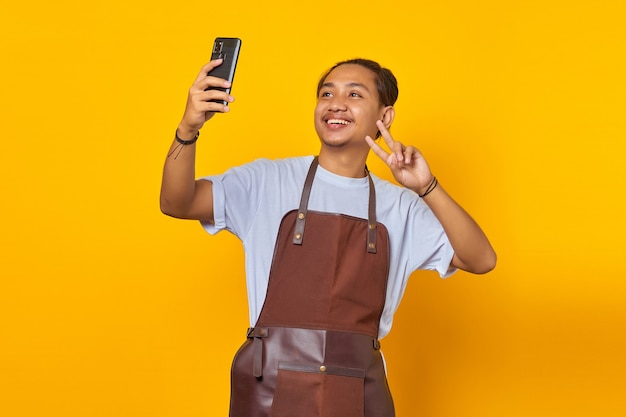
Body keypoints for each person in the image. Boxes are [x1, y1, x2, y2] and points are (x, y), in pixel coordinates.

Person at [160, 57, 496, 417]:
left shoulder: (401, 207)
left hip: (359, 395)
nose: (336, 103)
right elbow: (177, 202)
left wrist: (427, 187)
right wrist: (188, 127)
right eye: (326, 93)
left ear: (385, 117)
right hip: (266, 391)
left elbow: (481, 260)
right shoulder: (267, 181)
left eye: (354, 94)